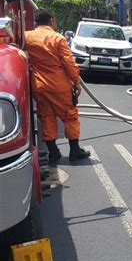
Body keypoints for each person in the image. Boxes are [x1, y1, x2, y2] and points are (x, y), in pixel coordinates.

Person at [24, 9, 90, 163]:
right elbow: (69, 63)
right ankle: (75, 150)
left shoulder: (27, 37)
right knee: (70, 116)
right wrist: (76, 81)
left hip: (39, 85)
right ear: (51, 21)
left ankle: (53, 152)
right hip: (59, 85)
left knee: (47, 117)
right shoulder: (58, 39)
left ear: (36, 22)